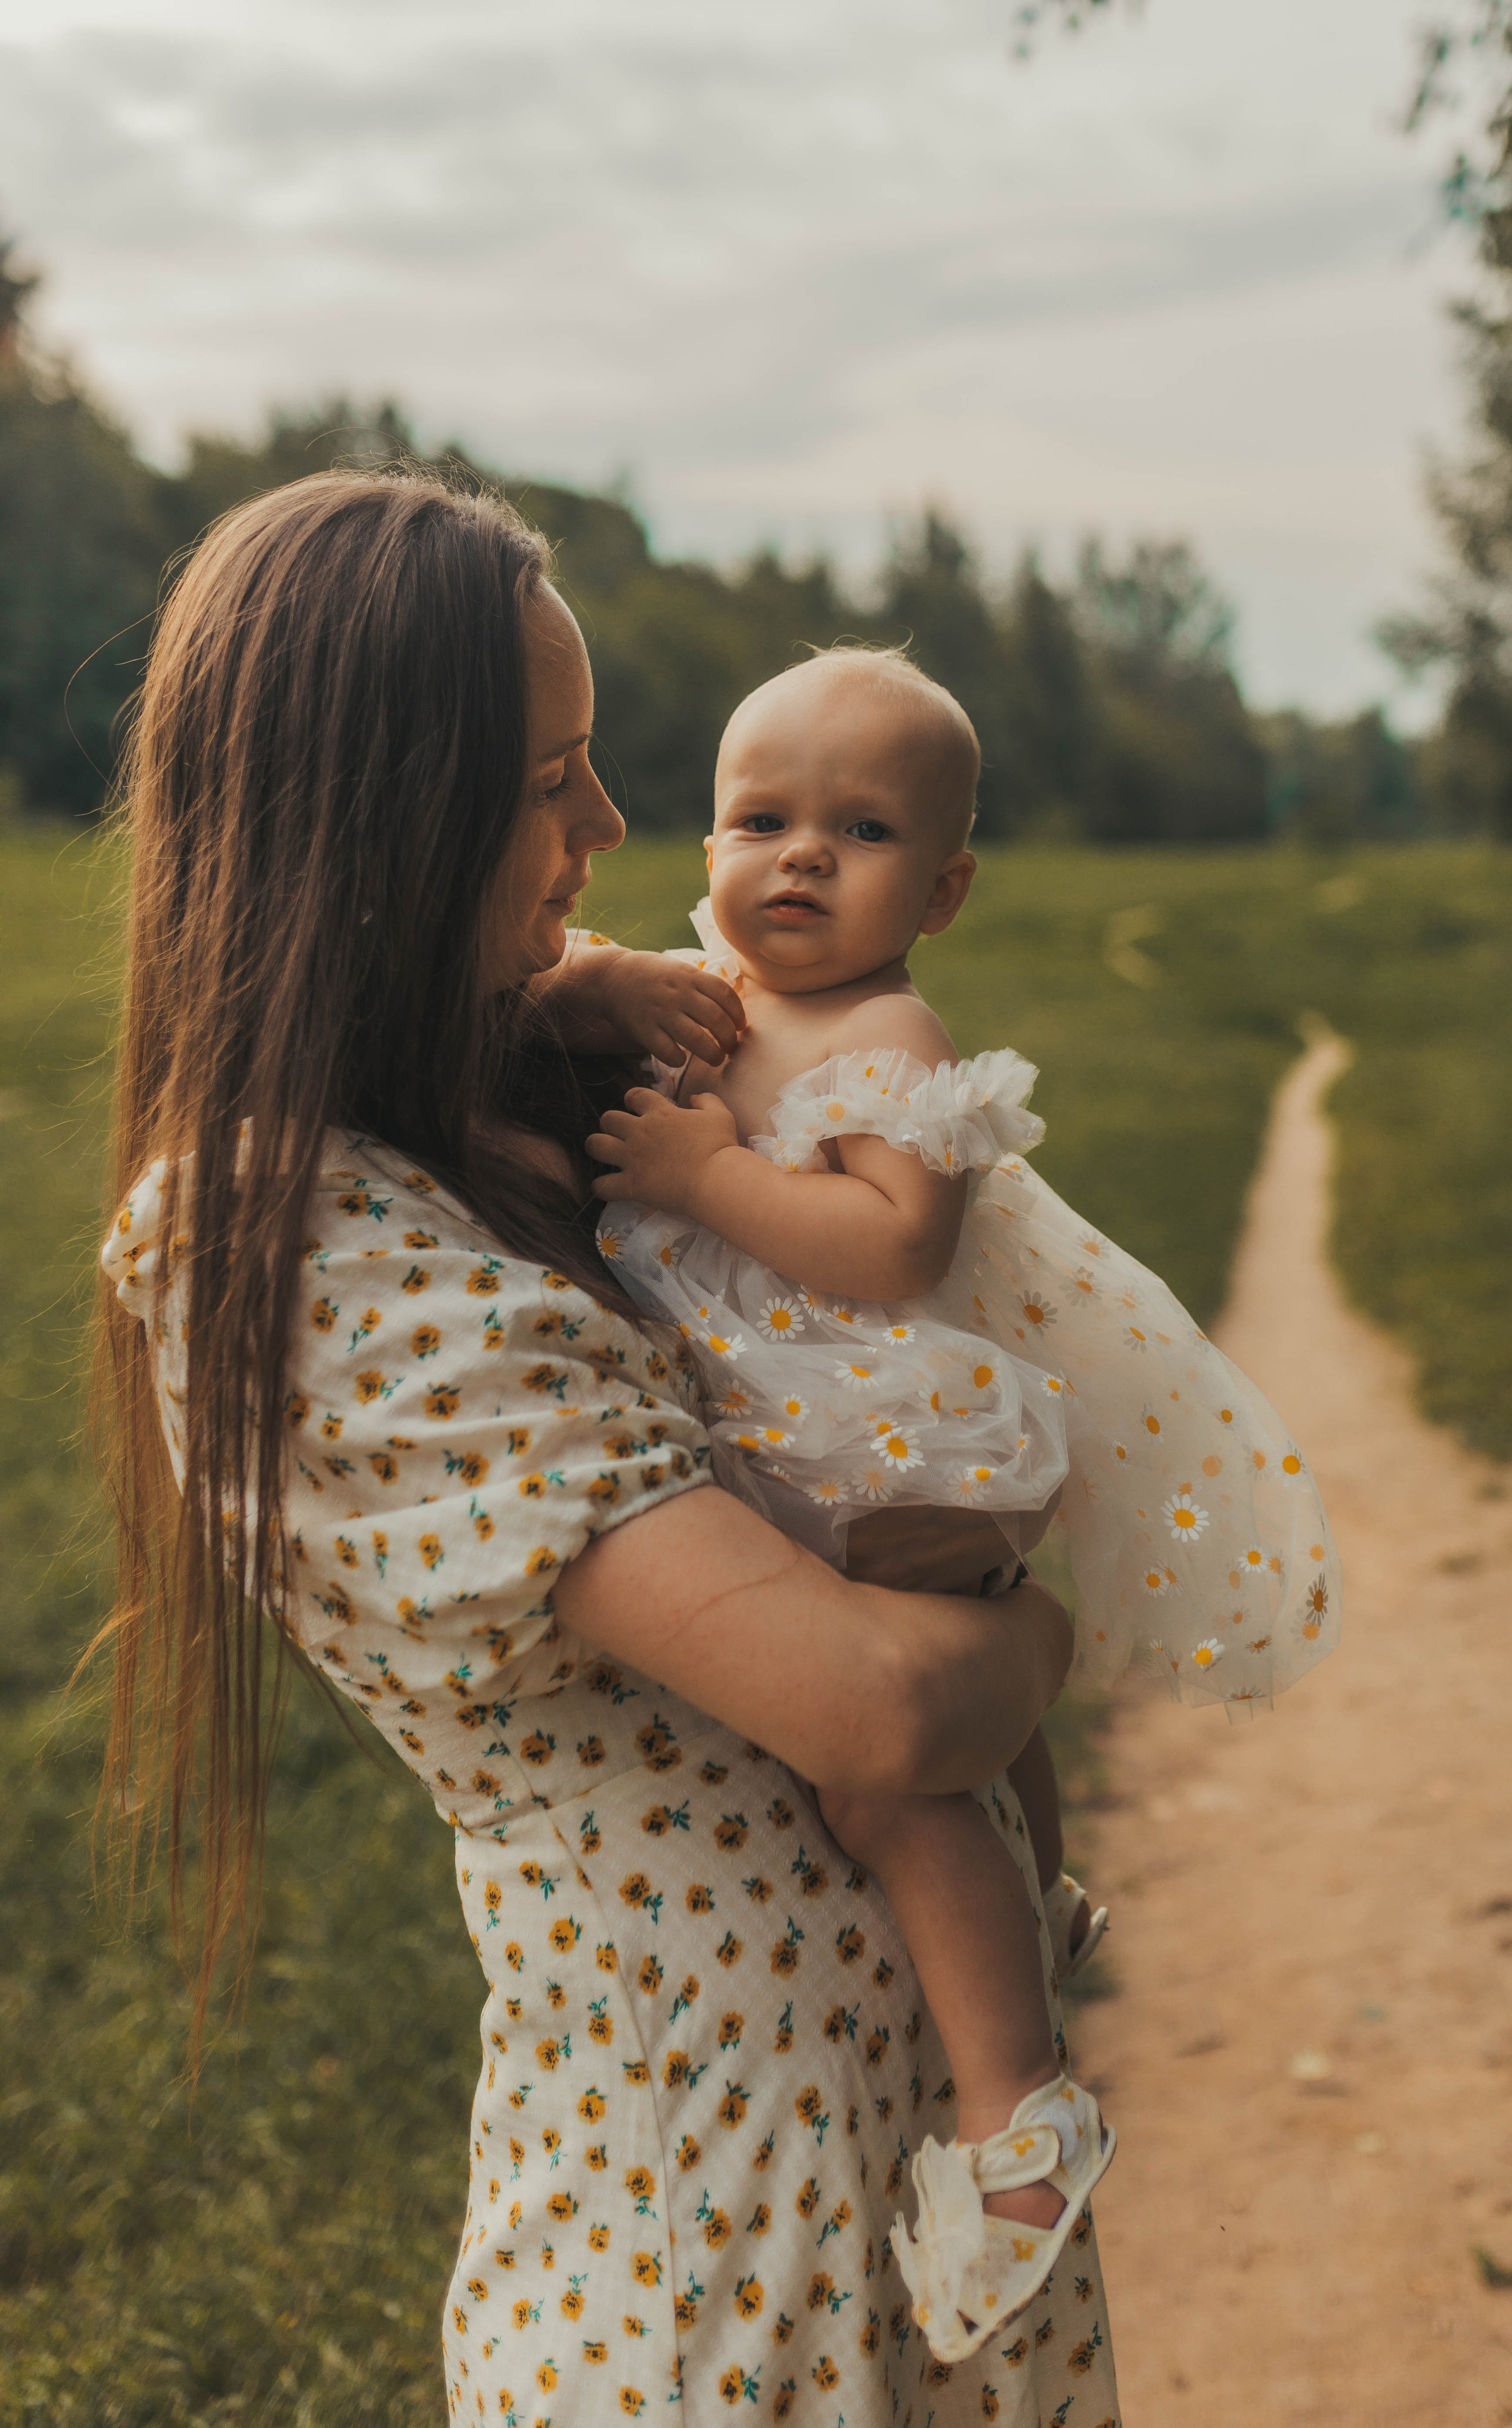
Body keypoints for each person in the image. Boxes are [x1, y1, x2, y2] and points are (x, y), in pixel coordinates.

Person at [95, 472, 1123, 2427]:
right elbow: (888, 1710)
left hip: (879, 2147)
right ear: (385, 819)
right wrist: (1034, 1640)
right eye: (551, 779)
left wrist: (578, 998)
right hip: (713, 2236)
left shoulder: (508, 1081)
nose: (614, 829)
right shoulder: (280, 1239)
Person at [583, 647, 1343, 2358]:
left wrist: (709, 1171)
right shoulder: (718, 990)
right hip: (815, 1432)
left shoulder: (886, 1035)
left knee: (886, 1780)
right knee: (962, 1712)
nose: (800, 855)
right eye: (760, 819)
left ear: (943, 890)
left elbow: (896, 1244)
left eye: (861, 831)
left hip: (883, 1448)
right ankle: (1041, 1897)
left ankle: (1019, 2118)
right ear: (707, 844)